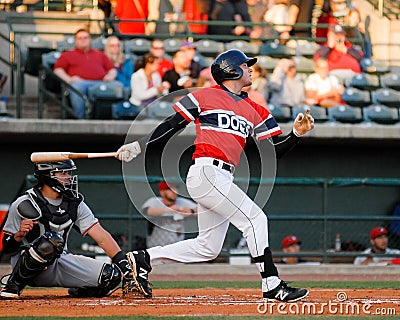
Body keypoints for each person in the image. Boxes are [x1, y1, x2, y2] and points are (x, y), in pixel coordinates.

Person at [116, 49, 314, 301]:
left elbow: (275, 151)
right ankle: (272, 283)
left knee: (207, 248)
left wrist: (296, 134)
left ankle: (142, 258)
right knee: (255, 219)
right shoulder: (205, 95)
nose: (251, 69)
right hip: (206, 172)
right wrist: (140, 145)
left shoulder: (255, 109)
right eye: (245, 65)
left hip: (223, 177)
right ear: (231, 70)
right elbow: (172, 123)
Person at [0, 160, 140, 298]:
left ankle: (78, 291)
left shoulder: (74, 203)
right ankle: (13, 285)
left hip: (60, 261)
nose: (68, 177)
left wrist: (125, 268)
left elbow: (101, 236)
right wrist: (18, 236)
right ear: (47, 176)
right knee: (50, 241)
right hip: (28, 266)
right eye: (63, 173)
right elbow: (8, 248)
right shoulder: (24, 203)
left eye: (68, 172)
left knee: (111, 276)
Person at [54, 29, 122, 119]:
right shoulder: (67, 55)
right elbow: (58, 69)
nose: (83, 40)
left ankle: (118, 116)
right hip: (81, 83)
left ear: (90, 39)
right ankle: (81, 118)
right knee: (75, 87)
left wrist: (109, 76)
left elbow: (112, 70)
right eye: (80, 38)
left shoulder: (100, 54)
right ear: (75, 40)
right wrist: (68, 79)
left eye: (85, 38)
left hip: (101, 81)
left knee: (119, 85)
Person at [143, 181, 197, 248]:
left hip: (177, 246)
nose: (174, 191)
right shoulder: (155, 201)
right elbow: (146, 211)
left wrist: (191, 211)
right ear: (162, 192)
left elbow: (200, 210)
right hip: (156, 247)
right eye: (169, 189)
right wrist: (168, 210)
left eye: (175, 188)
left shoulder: (181, 202)